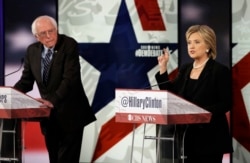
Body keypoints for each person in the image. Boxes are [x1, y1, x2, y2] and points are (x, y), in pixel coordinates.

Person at [14, 15, 96, 163]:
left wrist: (51, 101)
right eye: (43, 33)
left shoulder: (68, 45)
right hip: (49, 118)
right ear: (36, 36)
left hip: (71, 115)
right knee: (54, 159)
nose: (49, 36)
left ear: (56, 30)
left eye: (51, 31)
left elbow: (70, 79)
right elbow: (26, 81)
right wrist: (11, 95)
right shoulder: (32, 51)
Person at [155, 25, 232, 163]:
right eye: (189, 42)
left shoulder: (219, 71)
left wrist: (200, 114)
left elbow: (226, 103)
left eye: (197, 42)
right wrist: (163, 68)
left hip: (210, 139)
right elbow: (171, 94)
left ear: (208, 46)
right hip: (186, 138)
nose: (191, 46)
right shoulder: (185, 69)